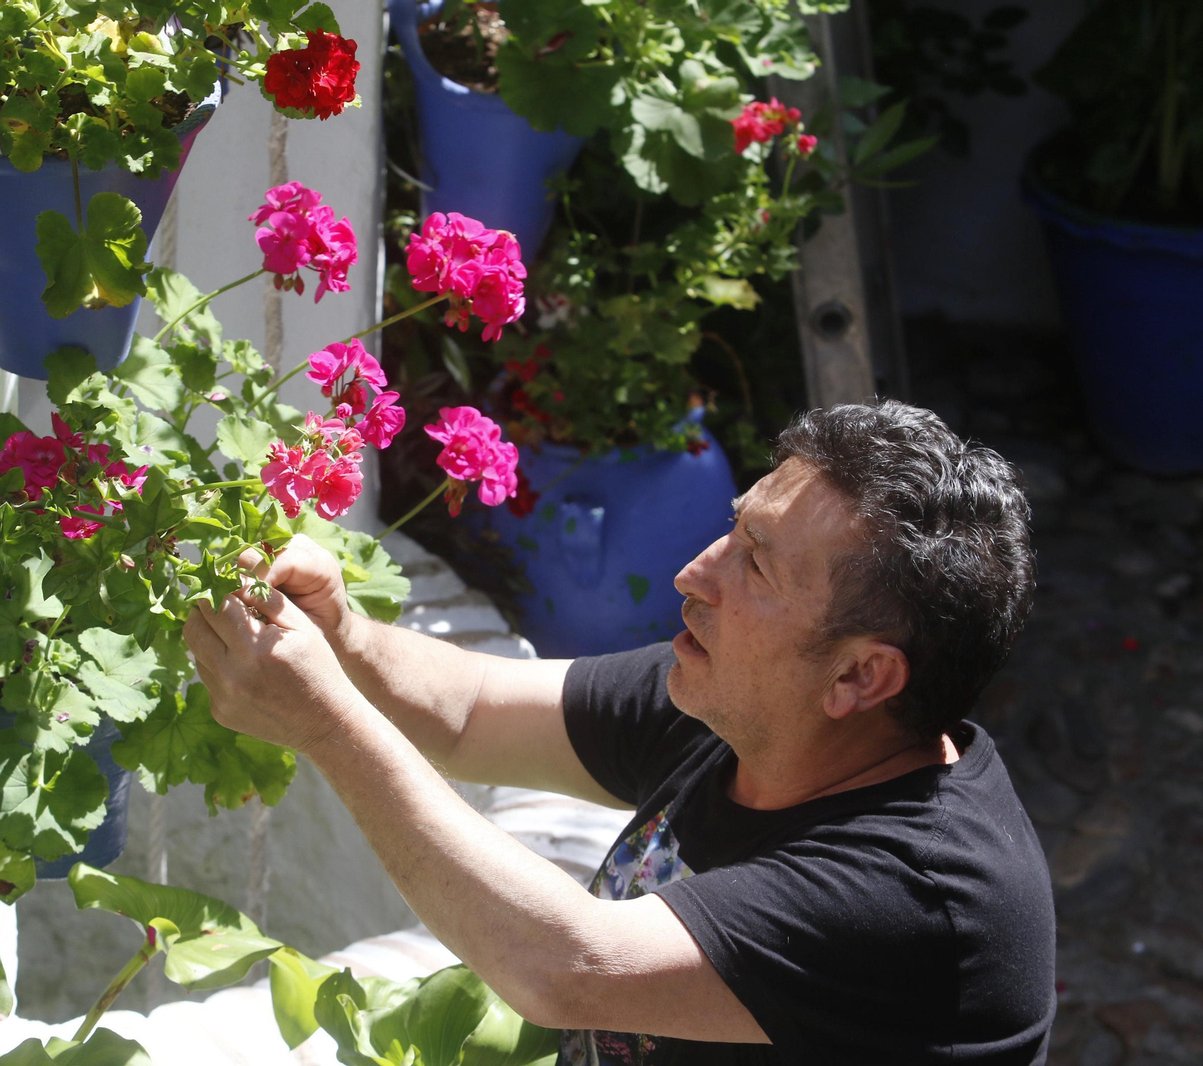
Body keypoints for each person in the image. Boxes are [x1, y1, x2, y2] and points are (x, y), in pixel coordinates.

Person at [183, 400, 1056, 1065]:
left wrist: (328, 725)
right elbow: (472, 708)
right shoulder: (747, 702)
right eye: (733, 527)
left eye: (754, 562)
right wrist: (345, 636)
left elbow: (563, 968)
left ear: (860, 676)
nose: (693, 573)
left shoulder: (919, 897)